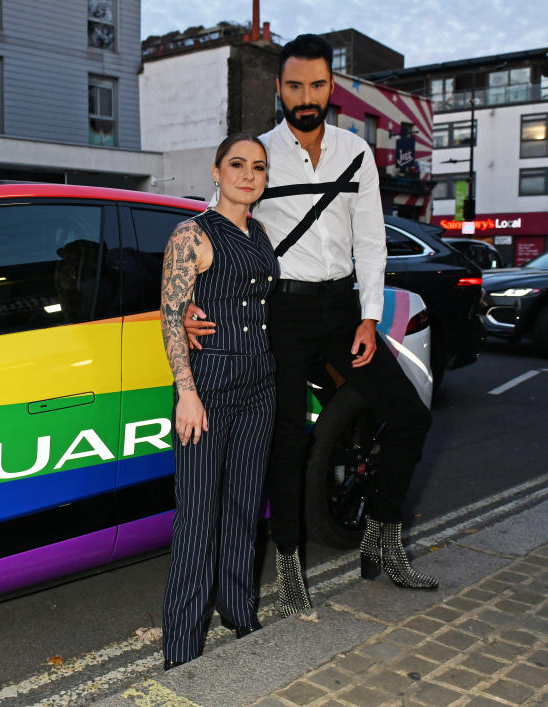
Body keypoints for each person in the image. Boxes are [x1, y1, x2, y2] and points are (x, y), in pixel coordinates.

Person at [185, 34, 437, 618]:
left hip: (342, 307)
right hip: (280, 312)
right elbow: (216, 222)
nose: (306, 96)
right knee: (287, 440)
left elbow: (372, 240)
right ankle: (291, 565)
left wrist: (370, 317)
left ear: (331, 88)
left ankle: (382, 537)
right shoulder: (260, 153)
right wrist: (194, 295)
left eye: (317, 85)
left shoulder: (356, 153)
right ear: (279, 88)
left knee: (408, 414)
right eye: (294, 85)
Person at [160, 133, 279, 670]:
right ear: (216, 171)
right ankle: (181, 648)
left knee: (245, 507)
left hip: (260, 383)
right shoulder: (192, 234)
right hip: (209, 384)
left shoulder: (260, 235)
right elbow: (170, 318)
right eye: (237, 164)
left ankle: (239, 613)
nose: (248, 174)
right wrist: (187, 392)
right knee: (197, 516)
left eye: (258, 166)